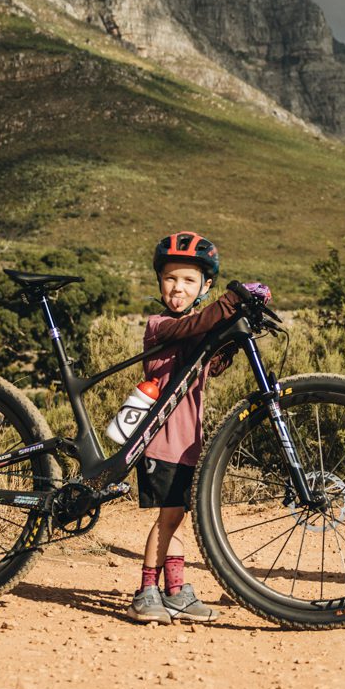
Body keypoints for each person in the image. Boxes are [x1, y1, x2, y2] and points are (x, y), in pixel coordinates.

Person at [124, 231, 270, 624]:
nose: (177, 287)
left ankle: (176, 591)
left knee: (177, 518)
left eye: (189, 280)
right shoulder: (160, 326)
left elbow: (214, 358)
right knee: (167, 518)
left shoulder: (195, 327)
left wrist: (237, 333)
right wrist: (232, 300)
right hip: (160, 441)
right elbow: (198, 324)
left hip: (188, 442)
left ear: (203, 285)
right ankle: (146, 590)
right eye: (171, 278)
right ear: (159, 282)